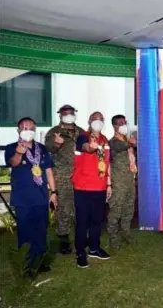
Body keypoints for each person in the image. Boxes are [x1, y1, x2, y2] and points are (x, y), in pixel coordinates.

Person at [5, 117, 58, 277]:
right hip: (23, 198)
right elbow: (13, 163)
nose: (28, 130)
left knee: (41, 231)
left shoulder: (41, 149)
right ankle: (27, 265)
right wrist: (19, 154)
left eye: (31, 127)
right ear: (18, 130)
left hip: (41, 197)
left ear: (34, 130)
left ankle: (40, 262)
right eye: (24, 127)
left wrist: (54, 193)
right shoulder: (11, 148)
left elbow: (48, 171)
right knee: (26, 232)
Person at [72, 111, 112, 268]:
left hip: (100, 187)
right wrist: (90, 146)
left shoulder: (105, 140)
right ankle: (80, 252)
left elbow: (108, 164)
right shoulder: (83, 136)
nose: (98, 122)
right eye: (95, 119)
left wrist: (109, 184)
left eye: (101, 119)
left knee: (97, 220)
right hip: (83, 187)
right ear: (89, 121)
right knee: (82, 221)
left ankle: (94, 248)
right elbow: (86, 148)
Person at [45, 104, 85, 255]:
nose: (69, 115)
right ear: (60, 115)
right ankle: (63, 239)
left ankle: (81, 236)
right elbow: (48, 149)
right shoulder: (54, 132)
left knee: (79, 206)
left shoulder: (81, 131)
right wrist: (57, 143)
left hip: (81, 175)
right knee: (64, 208)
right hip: (62, 176)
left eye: (71, 113)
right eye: (65, 113)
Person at [107, 115, 137, 249]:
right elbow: (120, 146)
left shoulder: (128, 142)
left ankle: (126, 233)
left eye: (125, 123)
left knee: (128, 210)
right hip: (118, 183)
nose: (124, 125)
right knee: (115, 211)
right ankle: (113, 238)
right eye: (120, 123)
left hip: (130, 181)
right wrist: (131, 143)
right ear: (114, 126)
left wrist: (131, 143)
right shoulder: (113, 142)